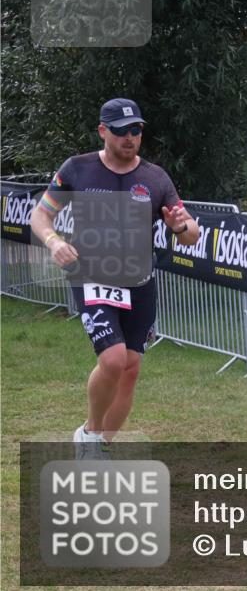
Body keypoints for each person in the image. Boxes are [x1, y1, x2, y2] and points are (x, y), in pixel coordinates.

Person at [30, 98, 199, 459]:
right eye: (121, 131)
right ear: (103, 131)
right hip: (92, 275)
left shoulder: (155, 178)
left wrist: (180, 226)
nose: (129, 137)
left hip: (139, 283)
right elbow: (40, 216)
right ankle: (89, 434)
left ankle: (100, 449)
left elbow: (191, 233)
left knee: (131, 368)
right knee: (112, 360)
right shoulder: (77, 169)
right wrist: (54, 240)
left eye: (136, 130)